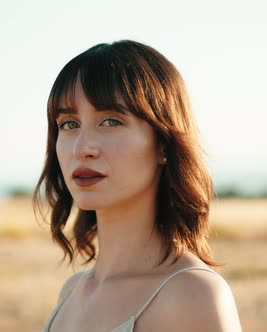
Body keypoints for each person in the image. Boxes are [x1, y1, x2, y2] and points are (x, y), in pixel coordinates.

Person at [34, 40, 242, 332]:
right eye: (69, 124)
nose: (82, 148)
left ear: (163, 144)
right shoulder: (71, 291)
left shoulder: (193, 295)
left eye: (110, 121)